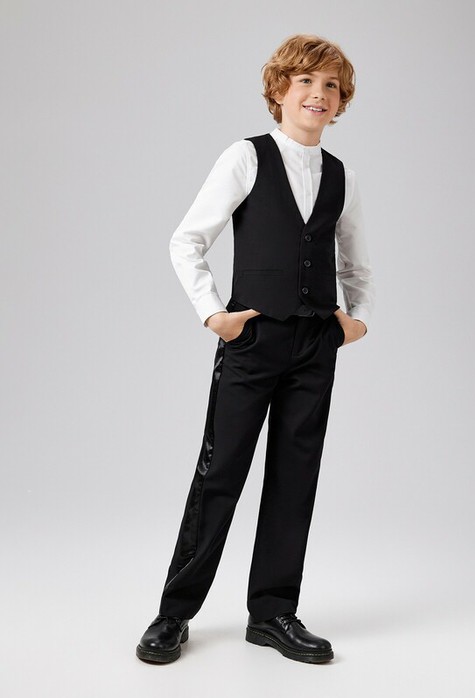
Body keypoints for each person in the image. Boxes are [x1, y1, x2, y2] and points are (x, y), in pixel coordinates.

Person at [136, 33, 376, 665]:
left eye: (331, 86)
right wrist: (214, 314)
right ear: (279, 91)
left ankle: (272, 613)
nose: (319, 94)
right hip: (254, 340)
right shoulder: (247, 157)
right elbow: (187, 240)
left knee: (296, 478)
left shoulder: (341, 176)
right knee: (220, 474)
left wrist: (357, 320)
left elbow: (356, 261)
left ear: (341, 100)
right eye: (306, 82)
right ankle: (174, 612)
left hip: (314, 344)